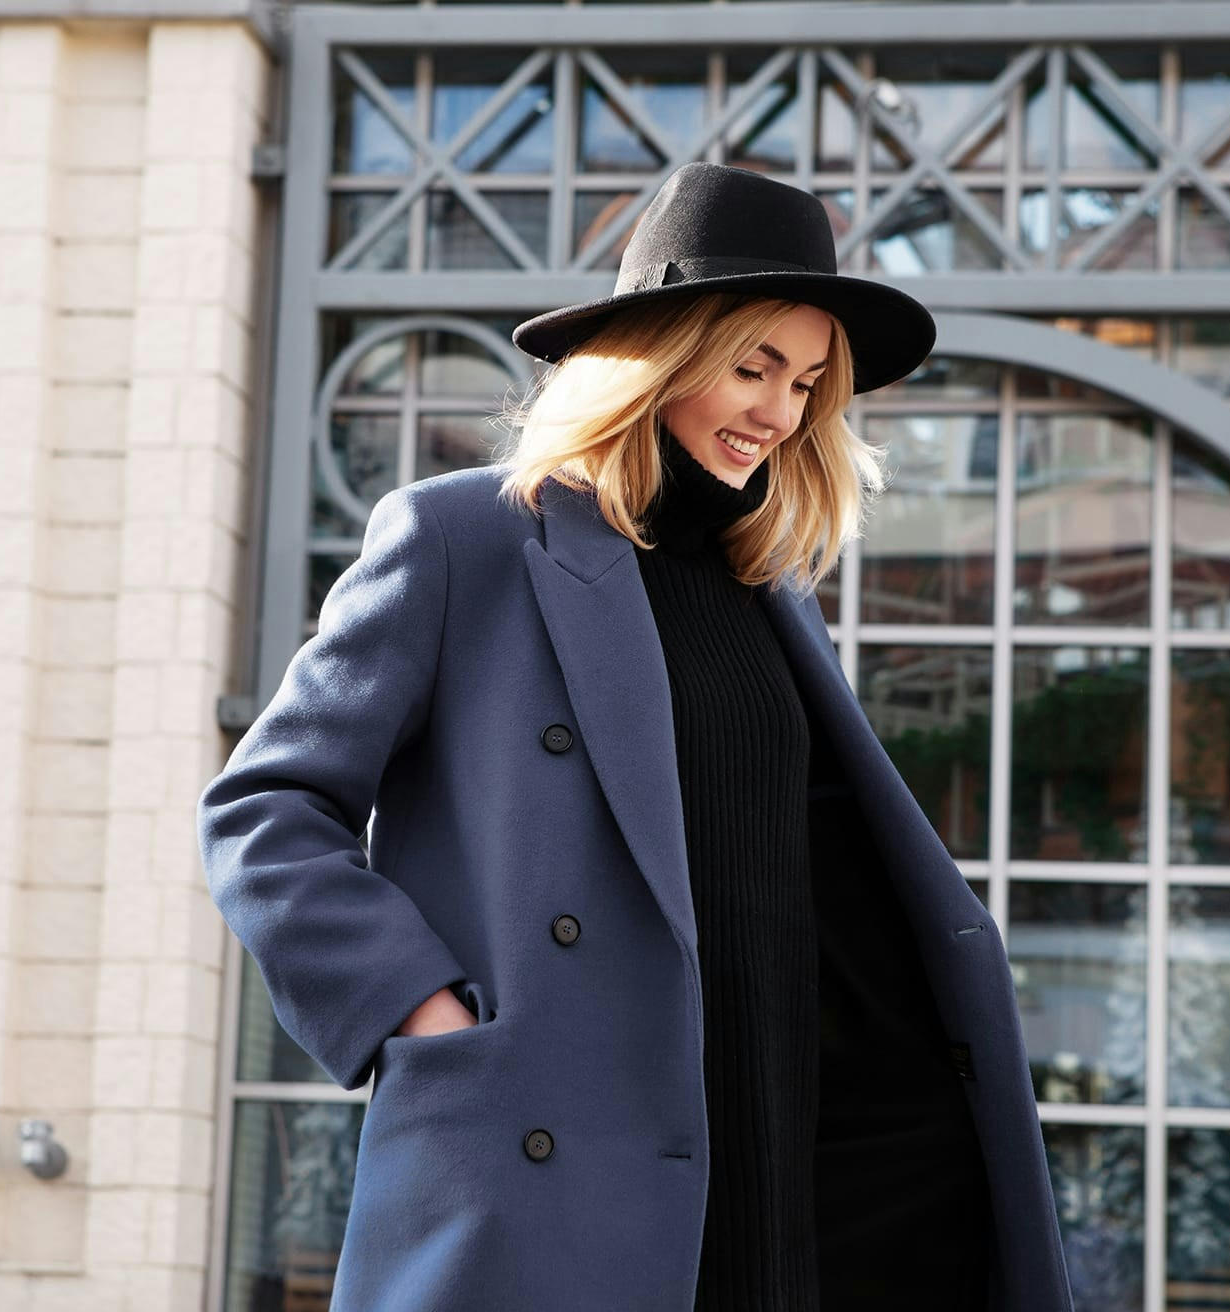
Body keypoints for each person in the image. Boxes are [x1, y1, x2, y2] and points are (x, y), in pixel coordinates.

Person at [199, 161, 1073, 1311]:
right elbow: (265, 810)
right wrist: (420, 1010)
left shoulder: (773, 593)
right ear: (657, 354)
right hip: (555, 1149)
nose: (779, 410)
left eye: (808, 381)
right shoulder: (466, 539)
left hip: (782, 1133)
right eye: (752, 365)